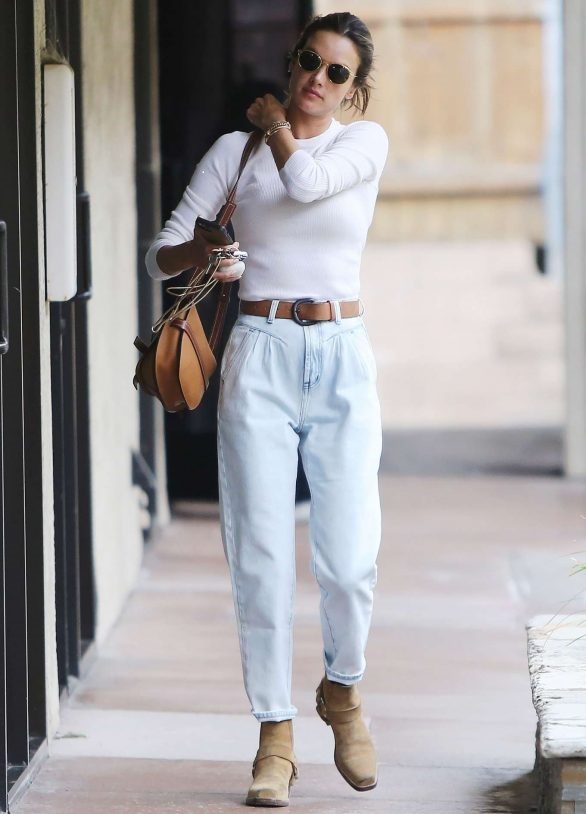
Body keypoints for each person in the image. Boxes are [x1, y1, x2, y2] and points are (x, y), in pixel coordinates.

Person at [146, 11, 388, 807]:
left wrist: (277, 125)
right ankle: (274, 736)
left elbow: (306, 183)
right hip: (259, 349)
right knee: (259, 554)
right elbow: (161, 255)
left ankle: (342, 689)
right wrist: (209, 248)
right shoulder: (234, 152)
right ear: (291, 61)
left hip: (341, 354)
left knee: (349, 559)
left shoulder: (362, 144)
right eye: (309, 60)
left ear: (354, 89)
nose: (318, 77)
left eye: (337, 71)